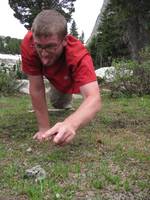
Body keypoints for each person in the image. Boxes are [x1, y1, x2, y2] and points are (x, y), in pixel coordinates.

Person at [21, 9, 101, 145]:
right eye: (39, 46)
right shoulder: (29, 44)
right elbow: (37, 88)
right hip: (53, 78)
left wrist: (70, 123)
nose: (44, 55)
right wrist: (44, 129)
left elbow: (94, 98)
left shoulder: (78, 55)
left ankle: (64, 99)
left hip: (69, 82)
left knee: (60, 103)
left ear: (64, 40)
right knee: (52, 101)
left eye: (51, 47)